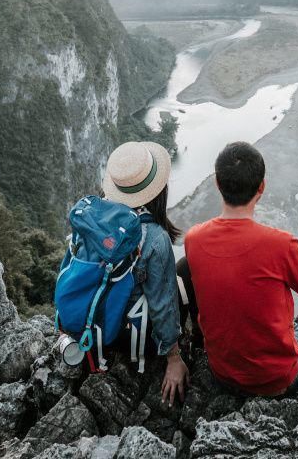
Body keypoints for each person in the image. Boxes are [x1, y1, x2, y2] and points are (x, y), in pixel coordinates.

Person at [183, 141, 298, 397]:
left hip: (222, 373)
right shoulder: (281, 244)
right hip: (278, 381)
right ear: (261, 187)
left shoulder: (194, 239)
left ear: (217, 184)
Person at [102, 141, 190, 405]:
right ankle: (191, 344)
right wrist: (173, 358)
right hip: (127, 339)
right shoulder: (153, 236)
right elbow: (162, 303)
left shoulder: (94, 219)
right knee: (182, 275)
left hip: (92, 330)